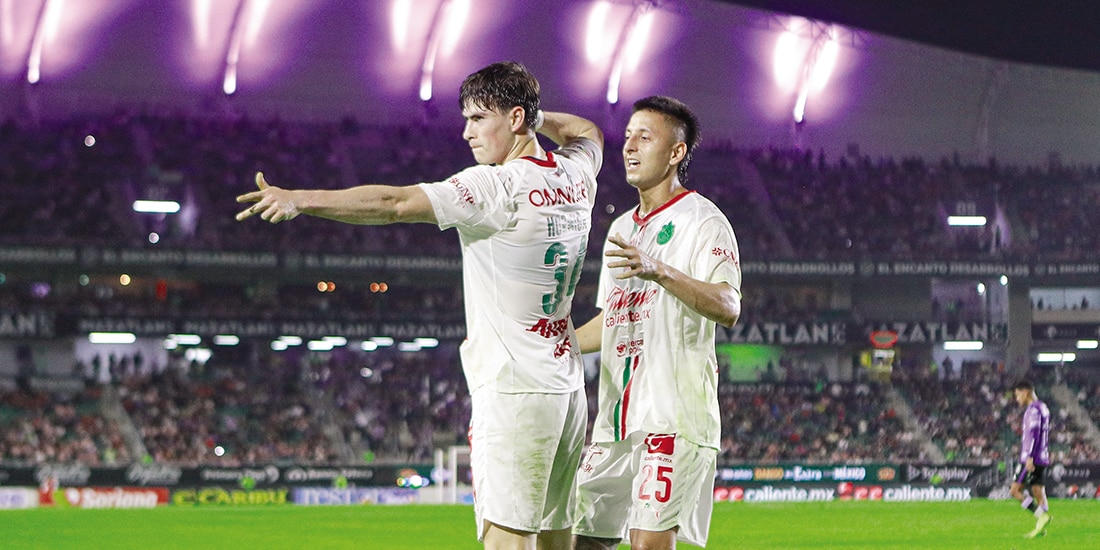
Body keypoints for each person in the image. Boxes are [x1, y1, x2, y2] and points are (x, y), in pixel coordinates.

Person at [236, 61, 603, 550]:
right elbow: (587, 130)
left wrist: (301, 198)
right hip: (567, 386)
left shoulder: (496, 185)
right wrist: (535, 117)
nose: (467, 132)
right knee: (557, 536)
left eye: (478, 118)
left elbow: (393, 203)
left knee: (506, 537)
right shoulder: (577, 174)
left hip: (515, 389)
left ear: (514, 119)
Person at [572, 96, 741, 549]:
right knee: (576, 539)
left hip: (673, 418)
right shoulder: (621, 228)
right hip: (615, 424)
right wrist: (555, 340)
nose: (629, 146)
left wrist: (660, 270)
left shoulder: (704, 221)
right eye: (627, 136)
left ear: (676, 153)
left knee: (647, 544)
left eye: (644, 137)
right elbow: (612, 321)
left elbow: (728, 305)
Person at [1009, 379, 1053, 539]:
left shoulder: (1033, 410)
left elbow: (1034, 434)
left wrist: (1029, 457)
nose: (1017, 399)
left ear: (1025, 392)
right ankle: (1041, 527)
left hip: (1032, 457)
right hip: (1042, 455)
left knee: (1014, 491)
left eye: (1018, 395)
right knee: (1038, 491)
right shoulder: (1043, 407)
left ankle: (1041, 516)